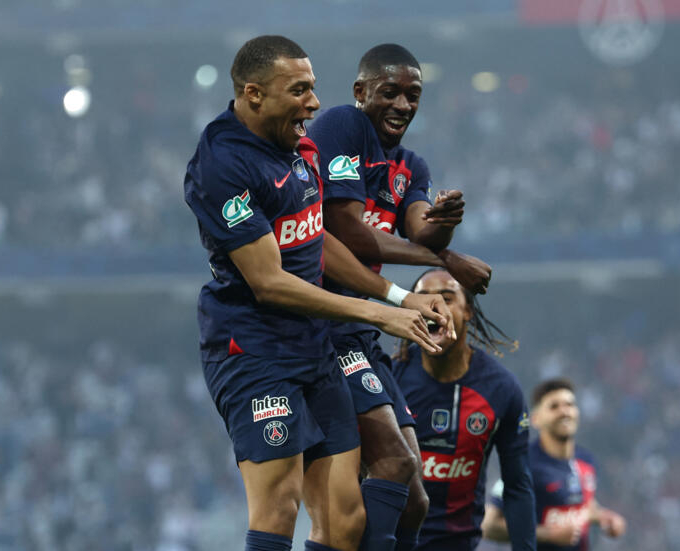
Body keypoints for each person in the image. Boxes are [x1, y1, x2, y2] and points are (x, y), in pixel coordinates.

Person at [182, 35, 453, 551]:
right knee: (279, 505)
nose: (312, 103)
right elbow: (269, 281)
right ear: (254, 93)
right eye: (300, 90)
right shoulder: (222, 167)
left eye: (313, 89)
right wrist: (379, 314)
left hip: (316, 345)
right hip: (254, 348)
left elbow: (314, 237)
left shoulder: (298, 142)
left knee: (346, 521)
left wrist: (399, 298)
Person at [307, 43, 493, 551]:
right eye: (390, 93)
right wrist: (448, 261)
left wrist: (443, 225)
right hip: (324, 322)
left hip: (364, 328)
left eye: (413, 95)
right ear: (361, 92)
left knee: (415, 500)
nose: (403, 105)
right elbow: (348, 230)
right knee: (390, 466)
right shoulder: (343, 126)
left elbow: (418, 229)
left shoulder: (411, 164)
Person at [392, 269, 536, 551]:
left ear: (468, 310)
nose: (432, 309)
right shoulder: (390, 379)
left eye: (447, 298)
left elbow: (517, 486)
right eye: (421, 299)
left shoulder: (501, 389)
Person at [481, 379, 627, 551]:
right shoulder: (523, 465)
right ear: (536, 419)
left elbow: (583, 504)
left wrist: (603, 517)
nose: (564, 411)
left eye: (569, 404)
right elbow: (488, 526)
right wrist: (546, 534)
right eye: (554, 407)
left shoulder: (586, 460)